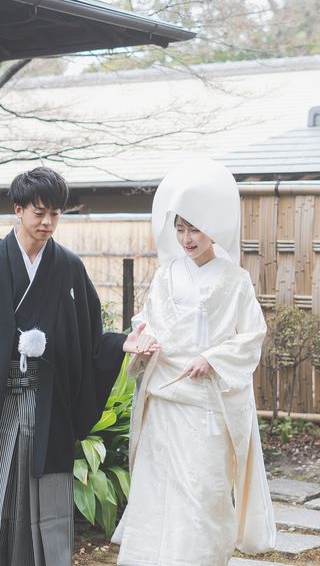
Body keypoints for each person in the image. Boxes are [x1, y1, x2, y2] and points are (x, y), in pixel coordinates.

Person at [0, 167, 155, 565]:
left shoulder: (68, 268)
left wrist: (120, 345)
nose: (47, 222)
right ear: (18, 209)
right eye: (39, 212)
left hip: (47, 405)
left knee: (44, 499)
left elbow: (88, 335)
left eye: (55, 213)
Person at [112, 158, 276, 566]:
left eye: (195, 229)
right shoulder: (167, 275)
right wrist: (144, 339)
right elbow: (148, 321)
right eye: (180, 228)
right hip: (165, 400)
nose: (186, 238)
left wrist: (212, 359)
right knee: (158, 487)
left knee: (203, 488)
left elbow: (251, 336)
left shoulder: (234, 279)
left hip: (206, 403)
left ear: (213, 228)